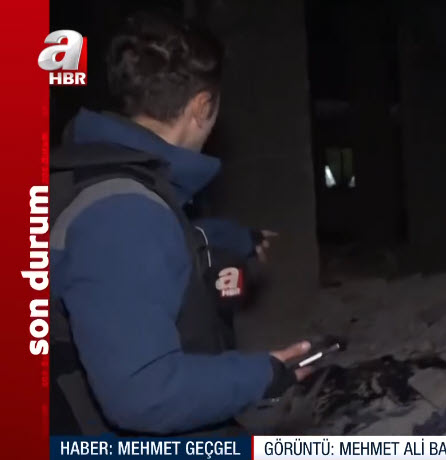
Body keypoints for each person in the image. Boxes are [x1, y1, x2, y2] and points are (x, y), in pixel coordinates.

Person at [49, 11, 312, 436]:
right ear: (202, 106)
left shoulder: (101, 180)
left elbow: (165, 245)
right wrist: (259, 375)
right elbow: (143, 395)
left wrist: (234, 239)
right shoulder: (123, 213)